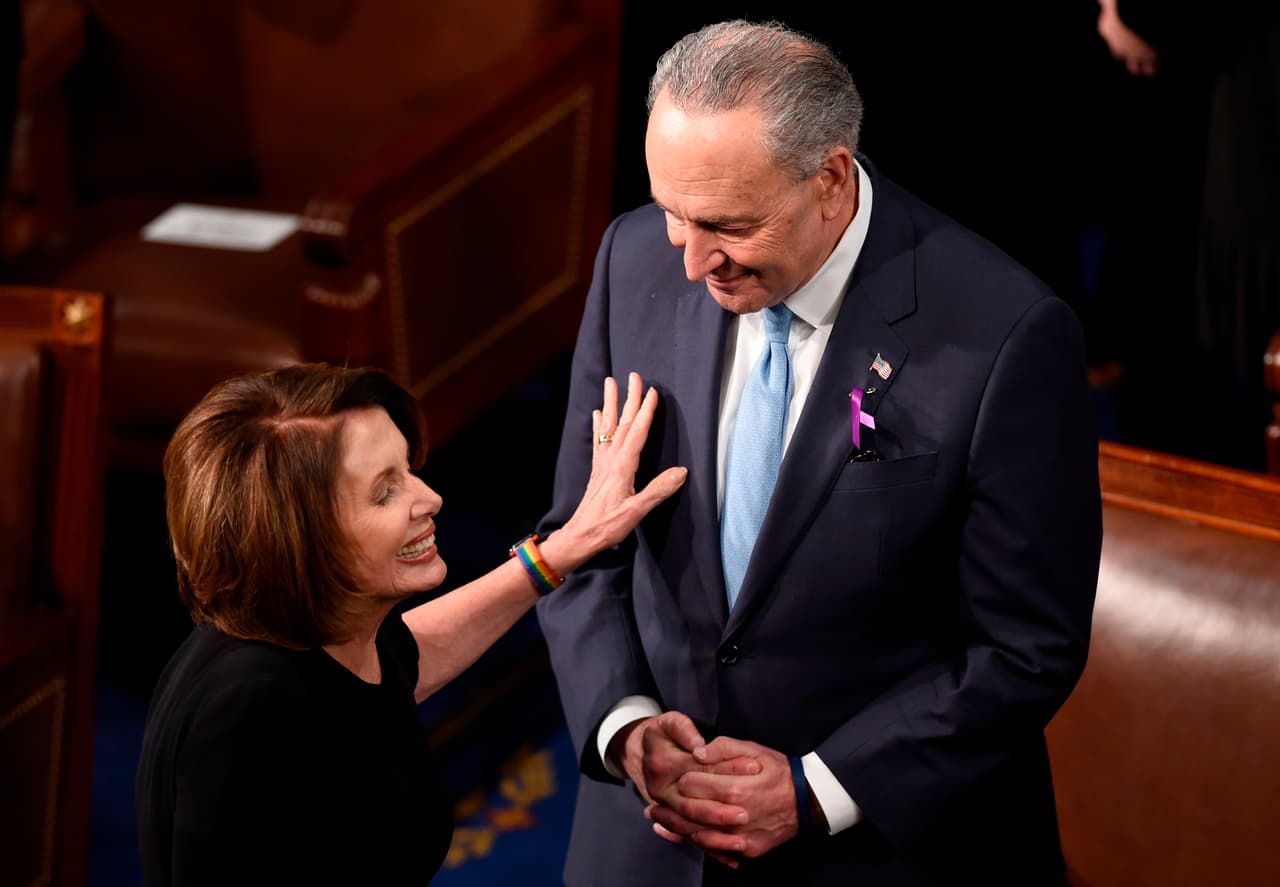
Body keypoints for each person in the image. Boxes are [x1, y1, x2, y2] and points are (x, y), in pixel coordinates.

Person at [535, 19, 1103, 886]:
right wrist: (624, 721)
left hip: (885, 845)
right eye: (672, 213)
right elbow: (581, 541)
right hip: (651, 839)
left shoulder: (1005, 336)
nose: (689, 262)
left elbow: (1024, 648)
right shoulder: (632, 259)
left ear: (831, 180)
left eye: (725, 224)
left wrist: (816, 789)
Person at [134, 362, 686, 887]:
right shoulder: (247, 711)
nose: (431, 498)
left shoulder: (318, 633)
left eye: (408, 471)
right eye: (385, 492)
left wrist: (566, 548)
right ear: (301, 543)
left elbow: (401, 660)